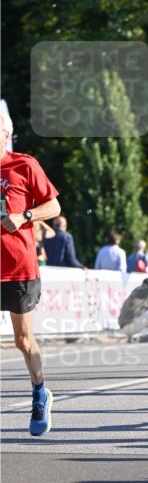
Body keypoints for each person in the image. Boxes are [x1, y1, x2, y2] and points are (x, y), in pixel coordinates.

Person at [0, 113, 60, 435]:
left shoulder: (24, 165)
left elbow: (53, 207)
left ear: (5, 134)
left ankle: (40, 392)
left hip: (18, 267)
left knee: (23, 340)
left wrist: (24, 215)